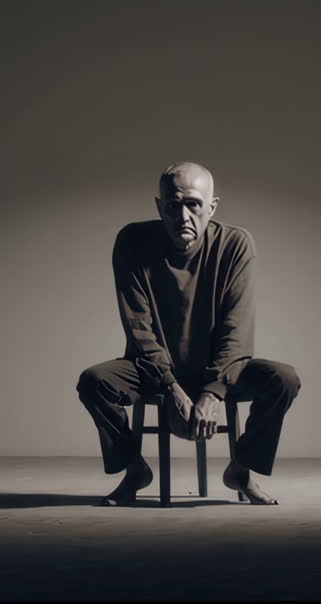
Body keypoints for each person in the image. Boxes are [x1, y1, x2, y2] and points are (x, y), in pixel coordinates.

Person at [76, 161, 301, 506]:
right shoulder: (132, 242)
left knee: (283, 379)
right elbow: (139, 327)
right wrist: (172, 387)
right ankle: (134, 469)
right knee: (94, 381)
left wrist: (212, 393)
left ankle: (240, 469)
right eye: (172, 205)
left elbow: (236, 331)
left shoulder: (235, 245)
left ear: (211, 207)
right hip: (153, 370)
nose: (182, 216)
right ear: (159, 206)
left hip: (220, 371)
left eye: (193, 204)